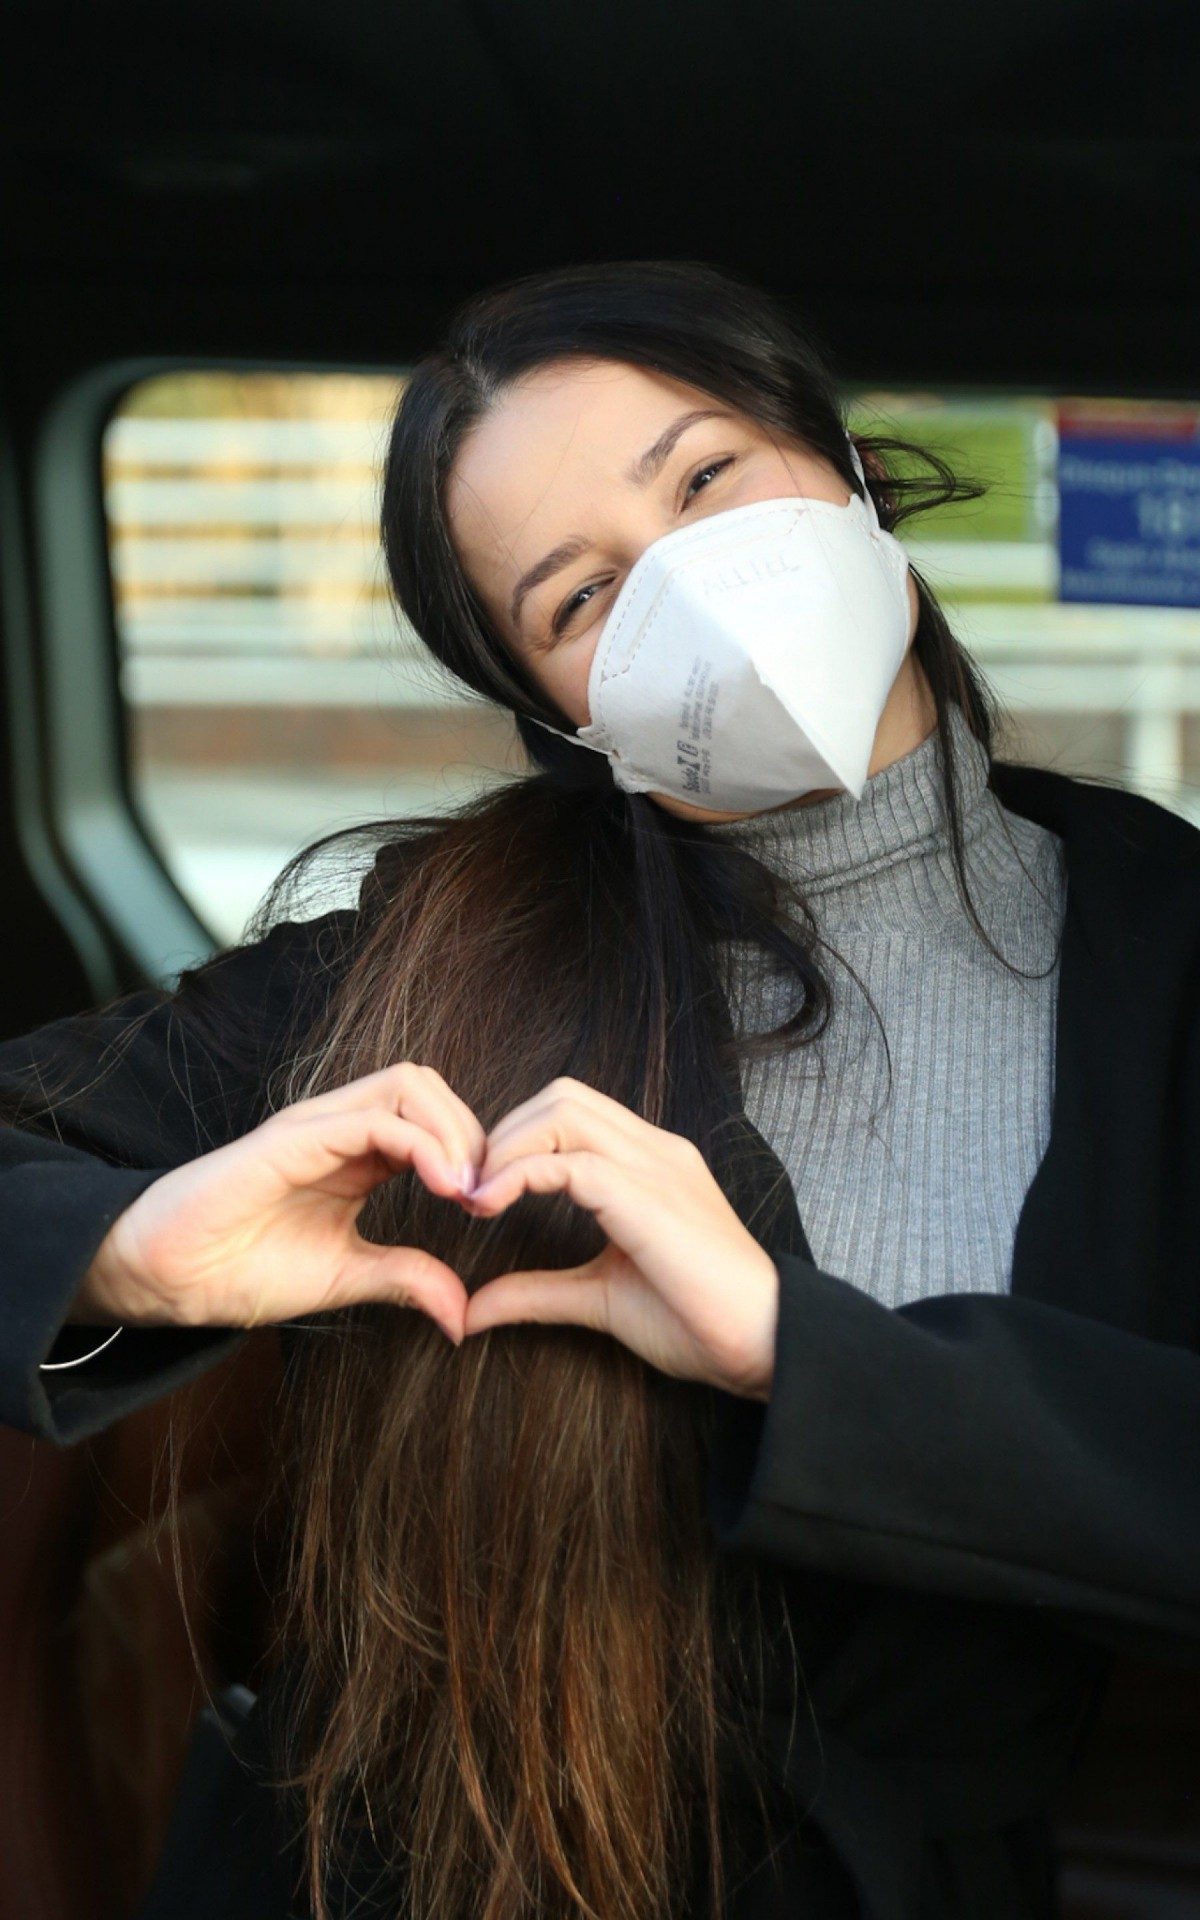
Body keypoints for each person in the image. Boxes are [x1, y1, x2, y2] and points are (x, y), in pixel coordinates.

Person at [2, 257, 1199, 1920]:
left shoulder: (1169, 955)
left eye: (708, 479)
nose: (693, 592)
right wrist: (126, 1249)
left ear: (846, 471)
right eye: (583, 600)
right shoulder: (422, 956)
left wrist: (799, 1354)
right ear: (569, 718)